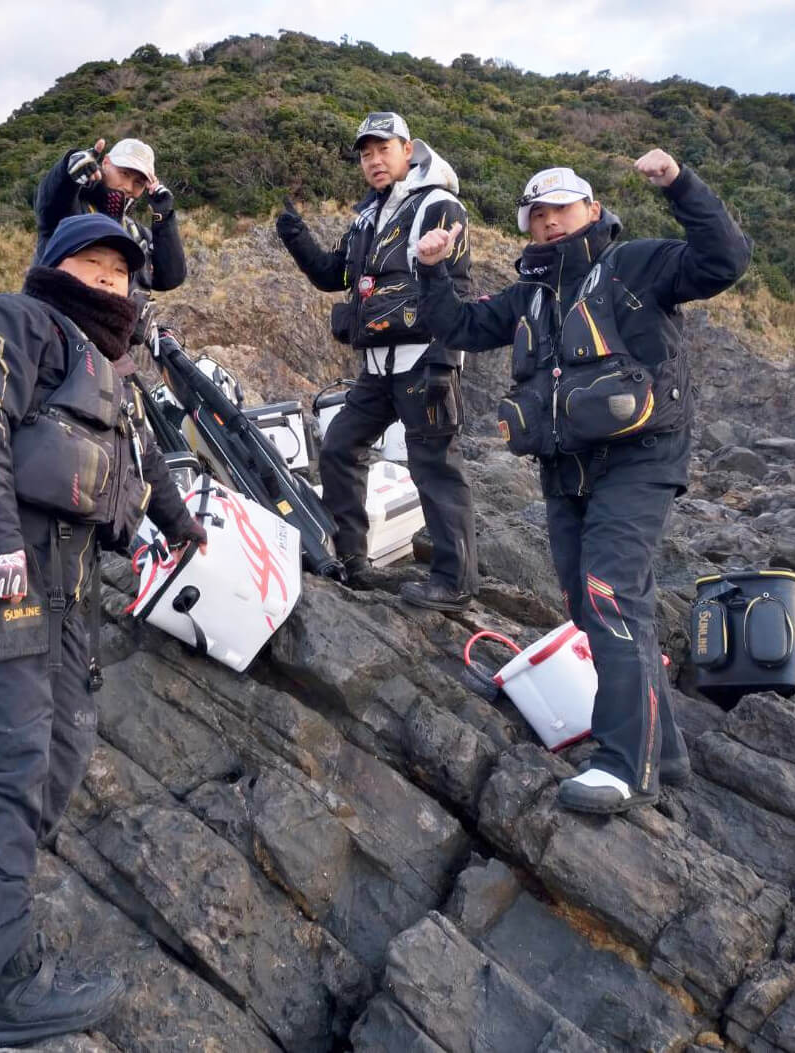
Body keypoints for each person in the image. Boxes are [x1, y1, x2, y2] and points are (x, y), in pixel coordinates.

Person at [0, 213, 208, 1047]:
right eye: (90, 264)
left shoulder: (112, 372)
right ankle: (3, 985)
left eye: (119, 272)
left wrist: (182, 527)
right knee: (8, 756)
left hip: (63, 579)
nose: (107, 281)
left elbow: (141, 466)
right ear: (52, 265)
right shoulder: (9, 320)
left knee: (63, 745)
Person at [415, 150, 751, 813]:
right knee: (591, 604)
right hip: (564, 472)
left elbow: (725, 261)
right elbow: (458, 324)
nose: (548, 222)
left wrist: (680, 184)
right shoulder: (528, 294)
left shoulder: (637, 265)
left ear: (592, 210)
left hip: (640, 459)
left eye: (560, 209)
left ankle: (624, 765)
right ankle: (664, 752)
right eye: (536, 214)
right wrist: (431, 271)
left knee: (609, 595)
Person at [276, 111, 477, 611]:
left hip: (424, 363)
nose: (374, 160)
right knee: (339, 447)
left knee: (435, 468)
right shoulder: (369, 216)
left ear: (408, 149)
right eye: (365, 154)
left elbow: (458, 287)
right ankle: (352, 559)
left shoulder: (438, 206)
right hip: (376, 370)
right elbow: (332, 275)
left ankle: (455, 584)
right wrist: (295, 236)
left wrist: (444, 361)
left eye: (383, 149)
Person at [33, 136, 186, 348]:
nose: (128, 186)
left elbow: (169, 278)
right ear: (105, 163)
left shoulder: (136, 233)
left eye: (139, 182)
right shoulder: (72, 210)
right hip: (55, 342)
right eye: (124, 173)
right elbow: (50, 203)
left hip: (114, 352)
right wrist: (68, 172)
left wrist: (164, 217)